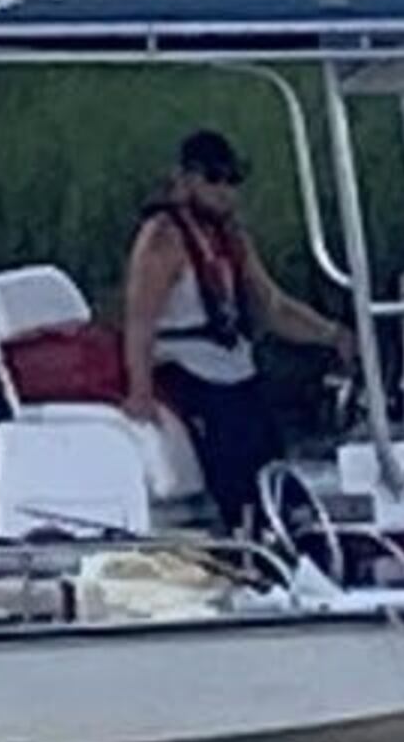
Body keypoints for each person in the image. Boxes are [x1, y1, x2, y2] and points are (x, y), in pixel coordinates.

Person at [121, 126, 355, 534]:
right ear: (187, 180)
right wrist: (139, 391)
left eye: (233, 181)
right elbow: (139, 320)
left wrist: (333, 335)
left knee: (269, 452)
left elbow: (273, 306)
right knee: (234, 454)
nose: (226, 191)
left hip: (231, 363)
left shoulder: (229, 237)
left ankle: (289, 531)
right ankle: (244, 533)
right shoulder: (163, 238)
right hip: (183, 363)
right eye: (215, 180)